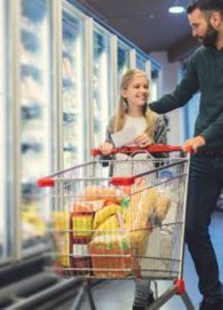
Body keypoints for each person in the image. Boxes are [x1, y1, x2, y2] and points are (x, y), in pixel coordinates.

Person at [149, 0, 223, 310]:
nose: (194, 32)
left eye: (197, 25)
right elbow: (180, 95)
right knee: (191, 227)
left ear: (216, 19)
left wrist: (204, 136)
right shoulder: (200, 58)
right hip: (204, 161)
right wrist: (140, 110)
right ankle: (212, 293)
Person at [99, 68, 167, 310]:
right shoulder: (114, 122)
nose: (143, 91)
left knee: (145, 247)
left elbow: (164, 161)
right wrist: (106, 149)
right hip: (120, 191)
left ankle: (139, 302)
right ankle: (144, 295)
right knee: (127, 247)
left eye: (146, 86)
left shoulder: (156, 120)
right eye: (137, 87)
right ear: (124, 92)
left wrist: (154, 145)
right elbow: (104, 162)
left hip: (146, 190)